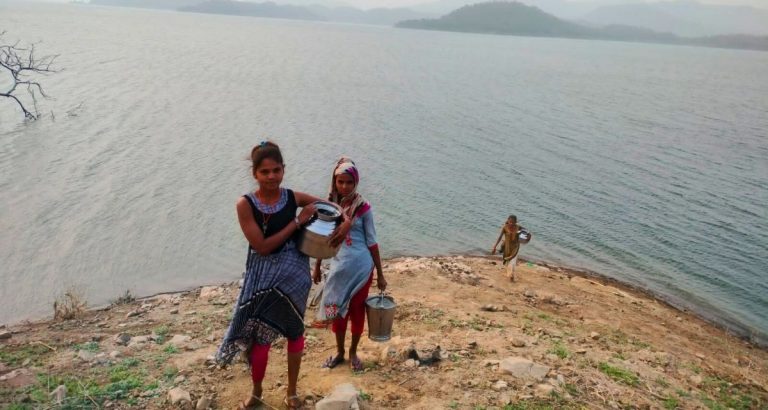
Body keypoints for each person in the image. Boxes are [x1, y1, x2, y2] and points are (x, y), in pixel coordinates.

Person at [216, 141, 346, 410]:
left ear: (284, 170)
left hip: (295, 279)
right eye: (265, 172)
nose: (272, 177)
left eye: (276, 170)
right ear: (255, 174)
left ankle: (291, 392)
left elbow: (331, 206)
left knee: (294, 334)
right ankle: (257, 392)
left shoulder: (291, 197)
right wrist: (298, 222)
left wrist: (345, 222)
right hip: (262, 280)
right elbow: (262, 247)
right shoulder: (246, 204)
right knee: (260, 338)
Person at [312, 157, 387, 372]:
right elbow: (323, 237)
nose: (344, 186)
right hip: (338, 268)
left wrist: (380, 274)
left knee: (355, 311)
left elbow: (372, 242)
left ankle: (353, 352)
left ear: (356, 183)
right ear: (334, 181)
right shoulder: (330, 207)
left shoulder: (363, 208)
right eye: (340, 182)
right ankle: (339, 352)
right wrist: (317, 266)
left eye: (349, 182)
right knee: (337, 310)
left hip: (361, 268)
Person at [491, 215, 527, 281]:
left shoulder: (519, 228)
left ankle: (511, 276)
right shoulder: (505, 227)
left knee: (512, 262)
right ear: (508, 221)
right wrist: (494, 246)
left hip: (515, 248)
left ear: (516, 222)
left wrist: (527, 238)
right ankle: (509, 274)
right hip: (507, 247)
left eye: (513, 222)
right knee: (507, 261)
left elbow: (526, 233)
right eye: (510, 222)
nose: (511, 224)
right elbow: (500, 237)